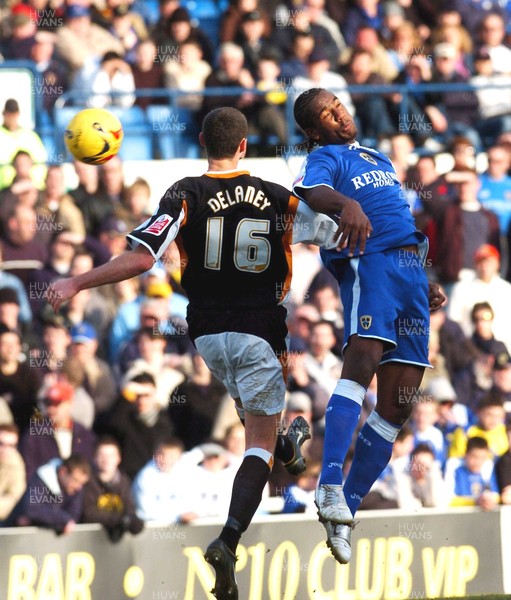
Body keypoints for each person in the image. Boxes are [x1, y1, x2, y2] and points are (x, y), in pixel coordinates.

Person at [47, 106, 337, 599]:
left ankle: (288, 444)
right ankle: (228, 540)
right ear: (244, 146)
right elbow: (337, 235)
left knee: (261, 416)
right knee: (257, 446)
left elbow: (143, 257)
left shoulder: (184, 191)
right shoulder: (277, 198)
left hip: (205, 335)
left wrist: (77, 281)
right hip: (260, 329)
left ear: (203, 140)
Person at [292, 87, 445, 564]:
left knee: (400, 402)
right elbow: (308, 191)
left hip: (409, 270)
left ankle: (344, 512)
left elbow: (399, 216)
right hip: (371, 262)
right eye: (326, 113)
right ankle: (329, 480)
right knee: (363, 357)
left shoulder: (376, 154)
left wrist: (427, 273)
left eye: (338, 105)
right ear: (314, 129)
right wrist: (344, 206)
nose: (339, 114)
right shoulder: (326, 157)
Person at [8, 454, 91, 533]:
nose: (78, 487)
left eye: (81, 483)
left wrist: (55, 521)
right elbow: (32, 509)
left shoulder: (76, 488)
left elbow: (73, 516)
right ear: (63, 471)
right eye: (75, 480)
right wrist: (63, 520)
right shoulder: (41, 478)